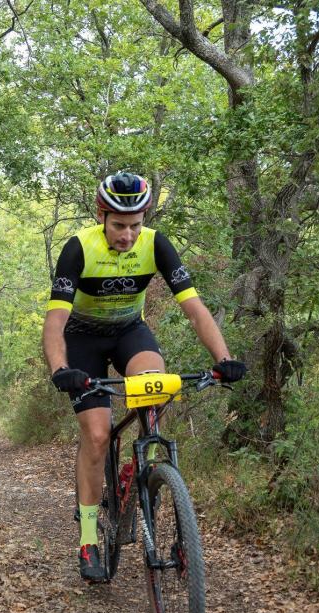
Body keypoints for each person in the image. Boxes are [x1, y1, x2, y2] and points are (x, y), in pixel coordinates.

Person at [42, 171, 246, 581]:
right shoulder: (79, 248)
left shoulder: (156, 245)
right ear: (102, 216)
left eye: (136, 225)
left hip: (128, 333)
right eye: (119, 225)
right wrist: (61, 369)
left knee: (154, 389)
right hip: (81, 338)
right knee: (97, 435)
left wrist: (224, 357)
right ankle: (88, 540)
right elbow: (55, 320)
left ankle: (143, 473)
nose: (128, 235)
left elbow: (194, 309)